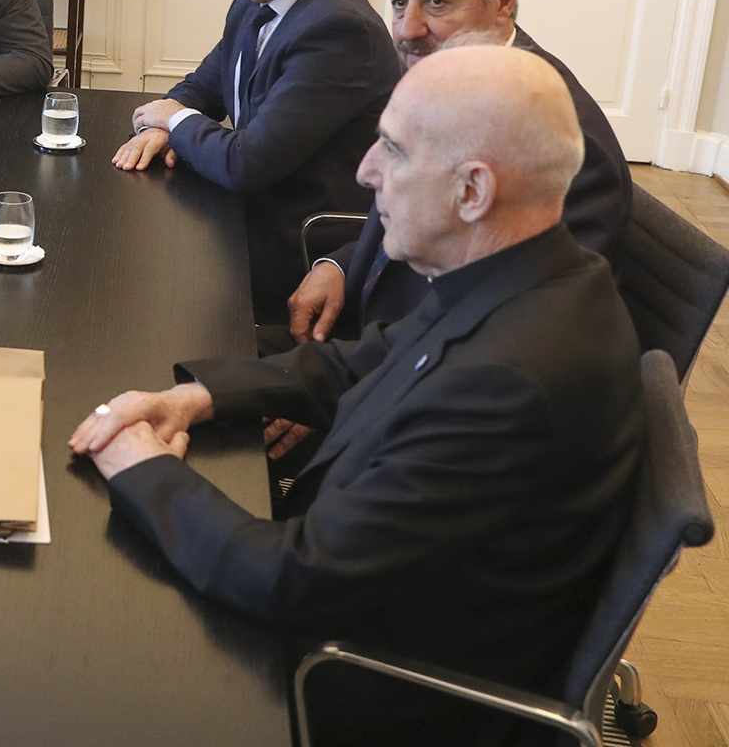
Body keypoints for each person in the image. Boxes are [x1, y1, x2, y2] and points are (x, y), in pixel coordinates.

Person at [72, 46, 642, 746]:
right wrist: (201, 398)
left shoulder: (509, 385)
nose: (365, 172)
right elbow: (370, 357)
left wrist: (142, 468)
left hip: (372, 690)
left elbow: (291, 578)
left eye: (393, 151)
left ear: (473, 192)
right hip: (384, 591)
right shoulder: (530, 274)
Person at [285, 0, 631, 348]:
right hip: (369, 333)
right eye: (397, 2)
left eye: (436, 2)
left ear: (503, 1)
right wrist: (339, 266)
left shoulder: (559, 137)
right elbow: (415, 210)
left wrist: (338, 389)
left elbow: (519, 325)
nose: (407, 29)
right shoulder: (441, 73)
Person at [113, 0, 400, 323]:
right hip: (246, 213)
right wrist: (168, 120)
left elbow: (246, 163)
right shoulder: (256, 0)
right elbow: (205, 84)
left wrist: (176, 122)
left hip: (298, 247)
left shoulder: (339, 30)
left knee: (133, 291)